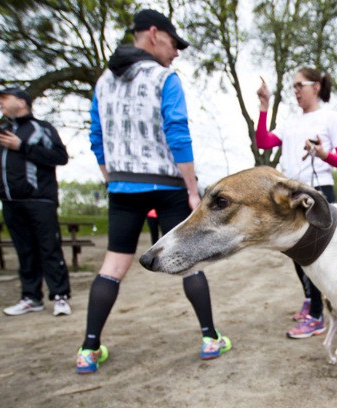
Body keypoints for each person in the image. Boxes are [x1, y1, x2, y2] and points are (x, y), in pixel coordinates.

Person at [79, 8, 231, 373]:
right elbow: (177, 132)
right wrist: (192, 189)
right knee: (189, 260)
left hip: (122, 186)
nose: (176, 52)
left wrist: (111, 178)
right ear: (153, 34)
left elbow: (96, 137)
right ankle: (210, 338)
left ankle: (88, 350)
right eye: (174, 43)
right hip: (167, 184)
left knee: (113, 265)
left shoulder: (103, 82)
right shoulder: (166, 78)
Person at [255, 68, 337, 339]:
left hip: (318, 190)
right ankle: (310, 300)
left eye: (300, 85)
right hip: (292, 193)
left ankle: (317, 317)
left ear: (316, 87)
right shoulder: (291, 122)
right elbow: (263, 141)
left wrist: (322, 153)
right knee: (296, 252)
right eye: (293, 86)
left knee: (316, 256)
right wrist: (264, 106)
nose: (295, 91)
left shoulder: (330, 118)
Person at [0, 86, 73, 318]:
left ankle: (60, 296)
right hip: (10, 201)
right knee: (24, 251)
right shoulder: (1, 132)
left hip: (40, 200)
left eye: (4, 98)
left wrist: (22, 147)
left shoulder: (42, 129)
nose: (0, 102)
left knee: (49, 248)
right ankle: (31, 297)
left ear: (21, 102)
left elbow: (60, 157)